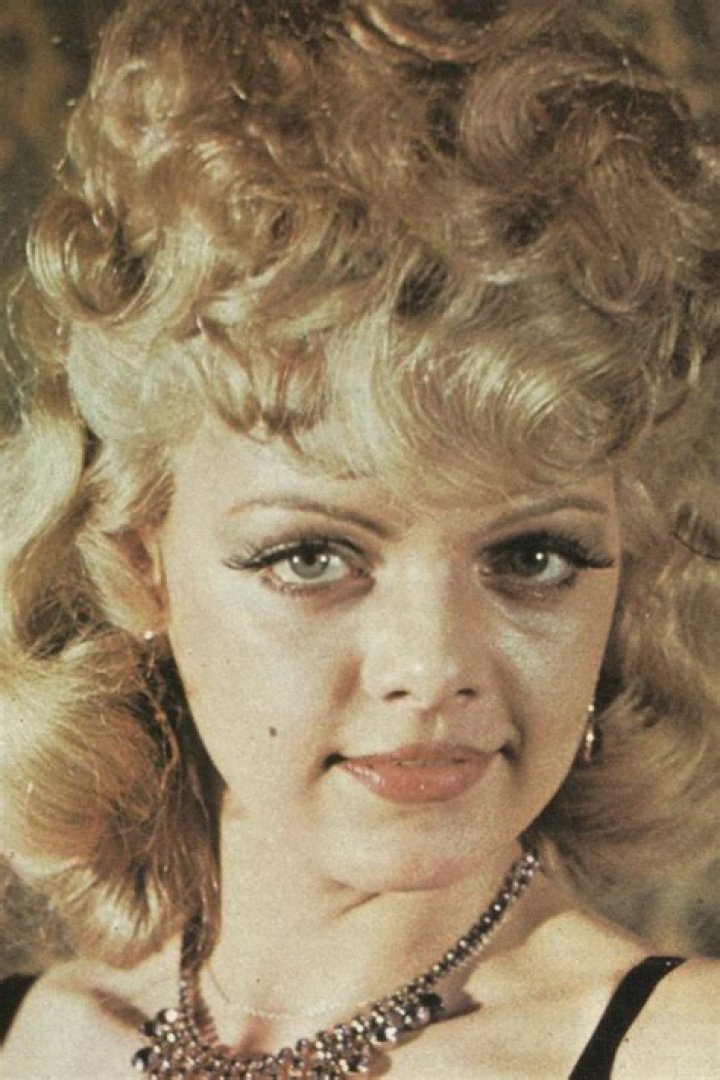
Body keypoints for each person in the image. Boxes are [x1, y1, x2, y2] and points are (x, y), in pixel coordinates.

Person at [0, 0, 718, 1076]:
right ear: (140, 561)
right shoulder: (31, 1036)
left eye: (532, 558)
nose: (432, 668)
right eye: (312, 557)